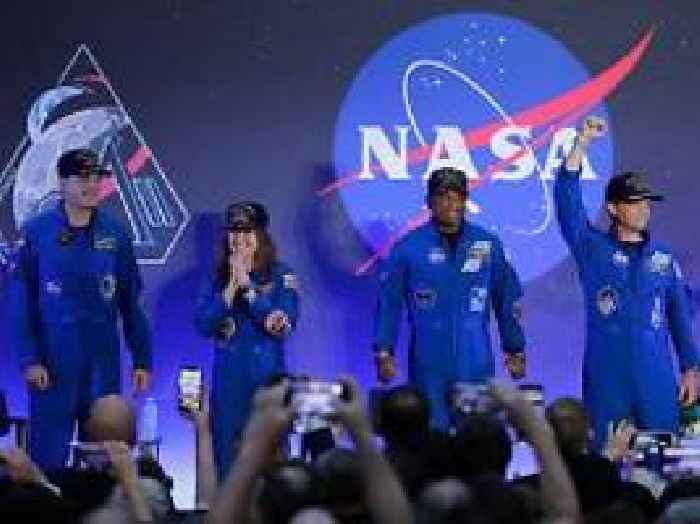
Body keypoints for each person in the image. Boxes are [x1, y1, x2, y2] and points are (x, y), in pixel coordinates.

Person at [555, 115, 699, 448]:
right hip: (608, 376)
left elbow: (679, 316)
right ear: (613, 208)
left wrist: (691, 367)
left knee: (662, 455)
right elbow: (567, 201)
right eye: (635, 203)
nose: (644, 210)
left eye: (647, 203)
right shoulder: (592, 248)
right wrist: (582, 142)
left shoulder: (663, 257)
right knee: (607, 455)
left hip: (655, 375)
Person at [10, 148, 152, 471]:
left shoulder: (115, 233)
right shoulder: (37, 233)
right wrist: (30, 359)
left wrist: (142, 358)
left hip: (102, 367)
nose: (92, 185)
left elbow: (131, 301)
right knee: (49, 463)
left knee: (103, 460)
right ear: (62, 183)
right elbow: (21, 304)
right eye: (83, 177)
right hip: (53, 369)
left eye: (96, 177)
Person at [373, 166, 526, 429]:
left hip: (475, 358)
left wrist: (515, 348)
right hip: (428, 360)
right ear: (429, 202)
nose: (451, 203)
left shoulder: (487, 244)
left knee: (478, 434)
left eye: (458, 196)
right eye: (443, 196)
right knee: (431, 434)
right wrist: (384, 351)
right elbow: (389, 303)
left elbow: (507, 297)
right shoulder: (409, 248)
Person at [194, 200, 299, 481]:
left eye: (247, 232)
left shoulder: (282, 275)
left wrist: (248, 289)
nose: (239, 239)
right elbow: (204, 325)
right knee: (228, 468)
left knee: (272, 470)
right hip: (229, 387)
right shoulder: (215, 277)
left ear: (261, 236)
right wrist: (231, 287)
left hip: (267, 385)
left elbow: (281, 326)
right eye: (234, 232)